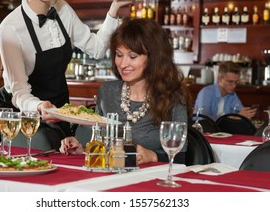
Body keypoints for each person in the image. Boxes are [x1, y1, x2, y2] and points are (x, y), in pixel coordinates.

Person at [0, 0, 136, 138]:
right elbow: (19, 92)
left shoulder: (62, 9)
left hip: (61, 111)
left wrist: (114, 8)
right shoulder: (9, 29)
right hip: (23, 115)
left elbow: (97, 49)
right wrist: (39, 106)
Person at [59, 18, 192, 164]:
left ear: (153, 58)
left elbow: (181, 158)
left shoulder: (173, 97)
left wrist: (153, 156)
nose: (123, 64)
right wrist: (82, 149)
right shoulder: (107, 91)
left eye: (132, 56)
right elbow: (100, 145)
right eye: (119, 55)